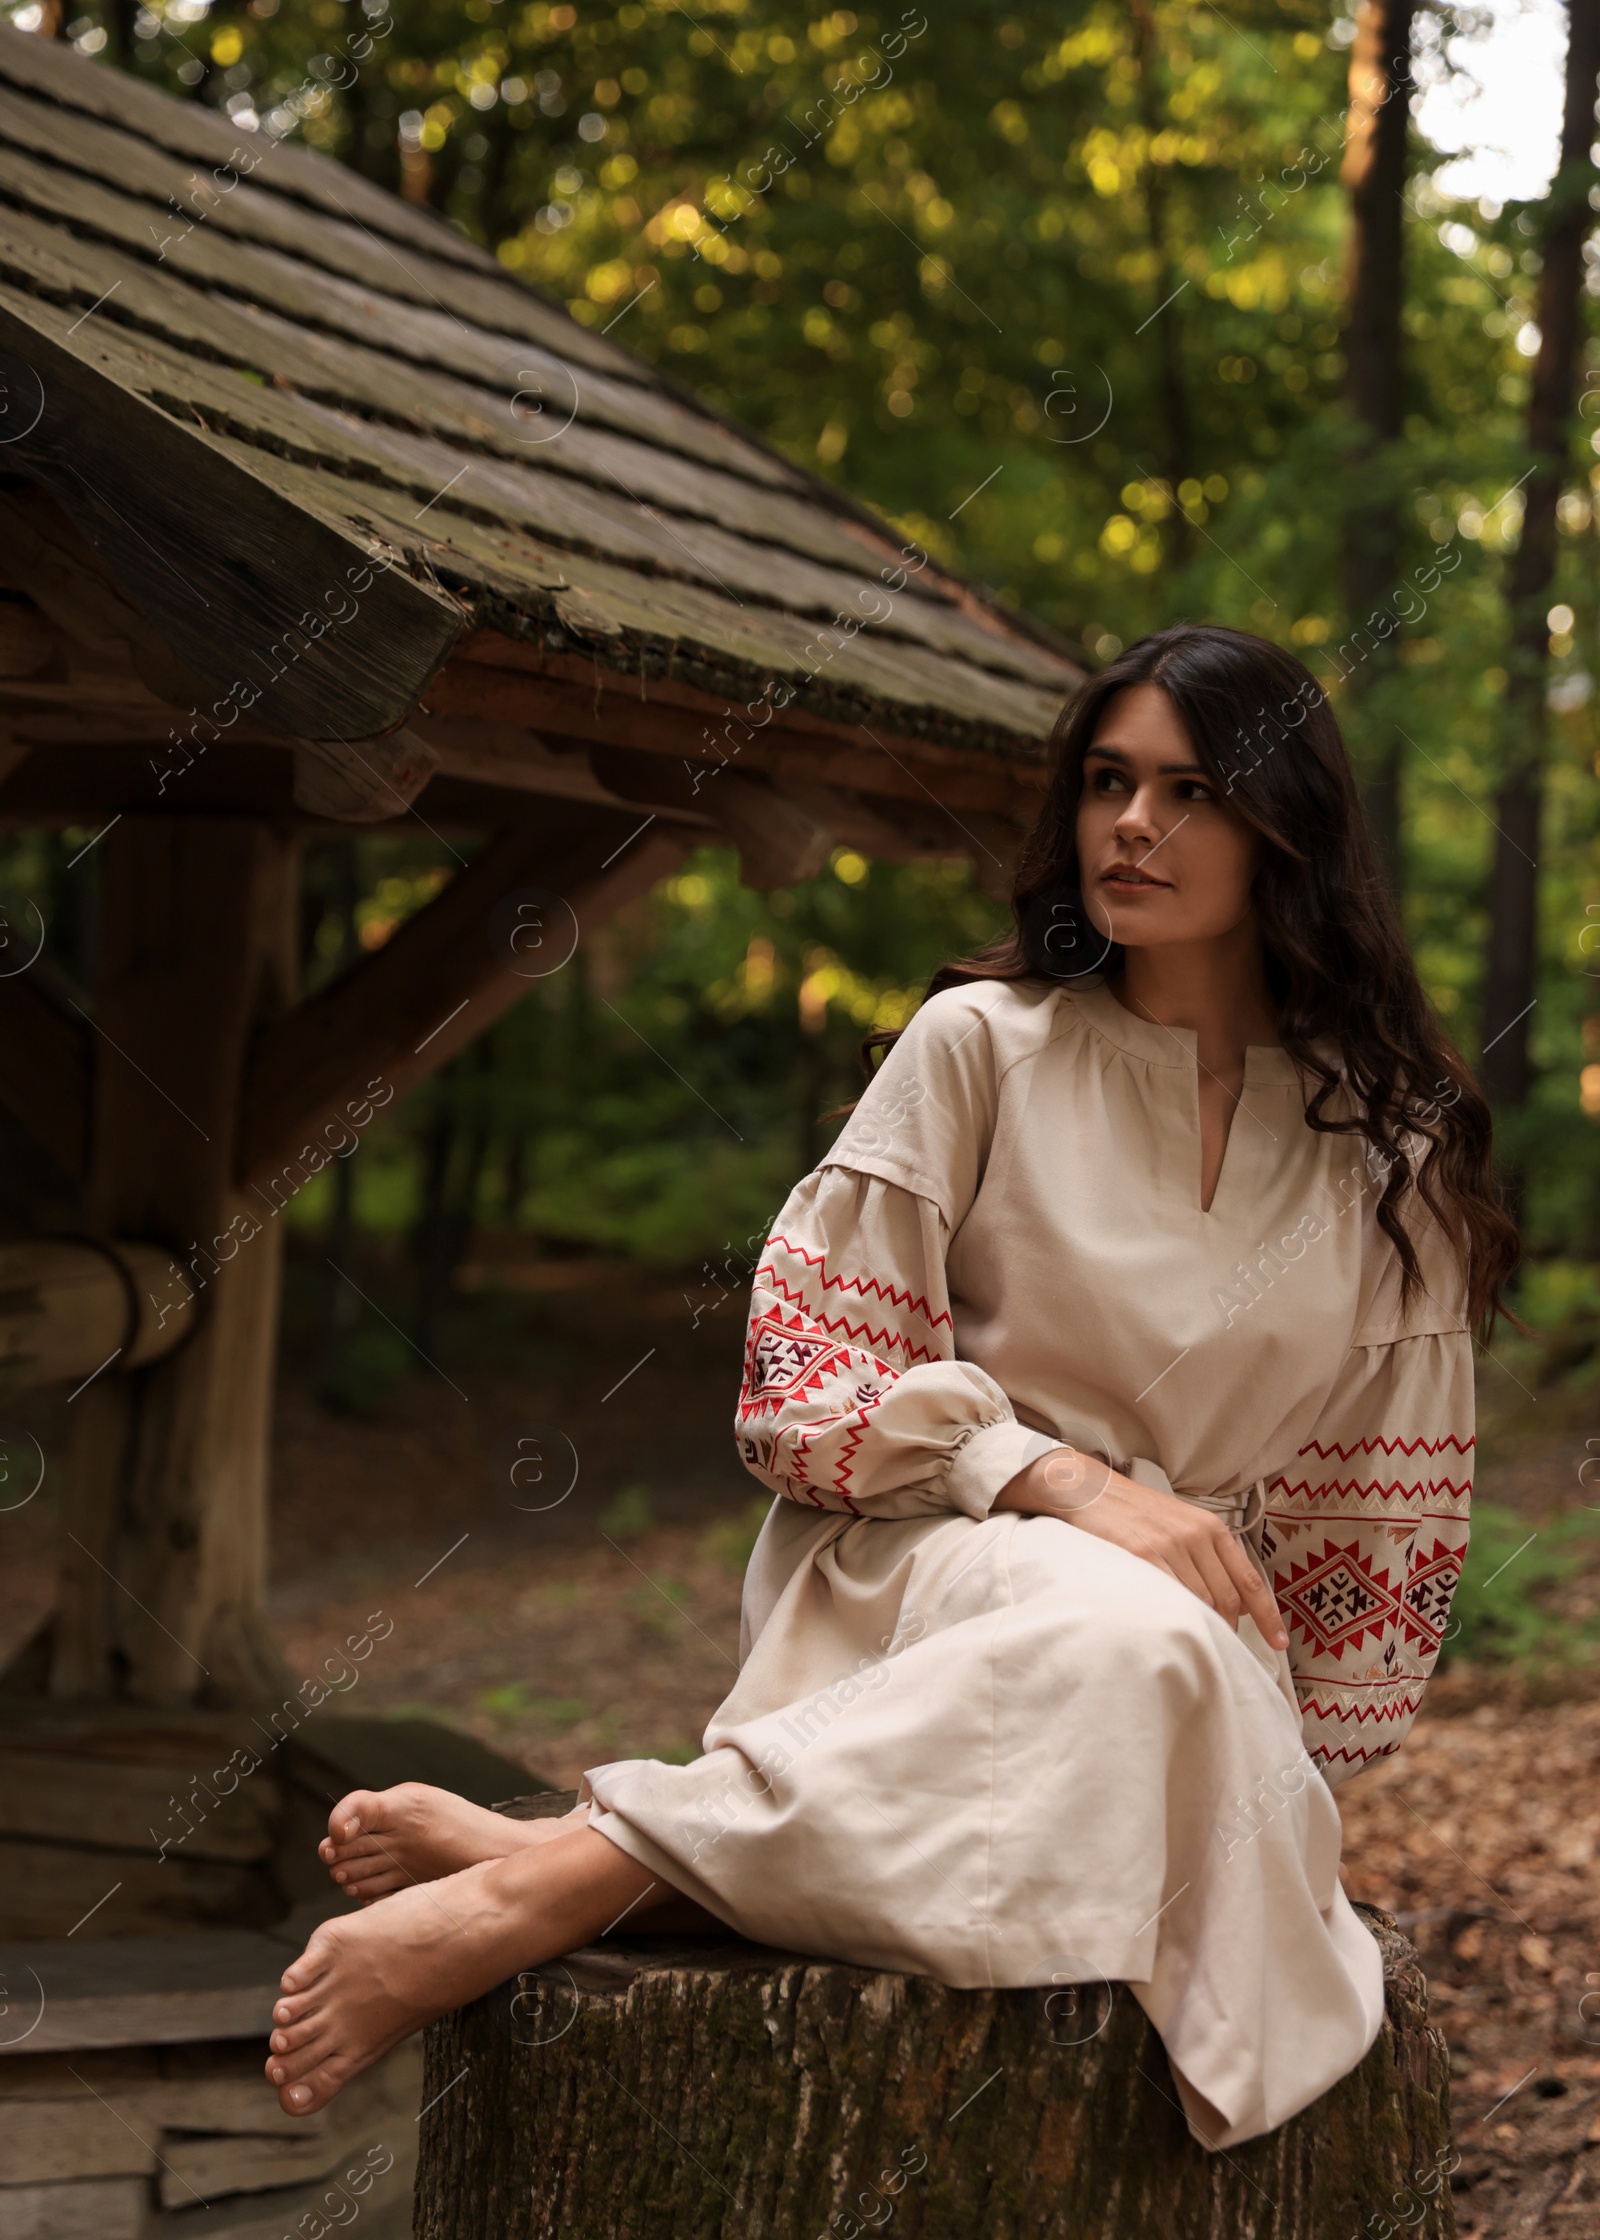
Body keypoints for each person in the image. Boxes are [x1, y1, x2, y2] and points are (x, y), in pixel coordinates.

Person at [266, 624, 1515, 2147]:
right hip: (928, 1571)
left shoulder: (1393, 1148)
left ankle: (596, 1861)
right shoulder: (982, 1046)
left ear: (1288, 830)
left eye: (1190, 792)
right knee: (1132, 1633)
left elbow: (1370, 1521)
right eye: (1108, 781)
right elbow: (802, 1387)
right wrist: (1058, 1481)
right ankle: (552, 1886)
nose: (1132, 824)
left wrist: (1271, 1785)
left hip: (1182, 1654)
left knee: (1162, 1652)